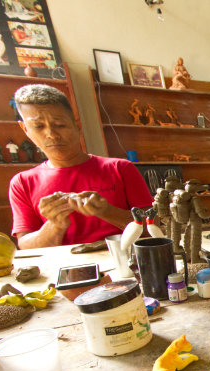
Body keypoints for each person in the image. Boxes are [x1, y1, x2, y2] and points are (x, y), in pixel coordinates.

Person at [9, 84, 154, 249]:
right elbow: (26, 246)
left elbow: (153, 230)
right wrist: (55, 225)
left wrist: (106, 211)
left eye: (60, 125)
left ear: (77, 125)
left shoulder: (120, 168)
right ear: (25, 129)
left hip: (123, 263)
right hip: (62, 269)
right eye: (39, 126)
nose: (52, 134)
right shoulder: (22, 183)